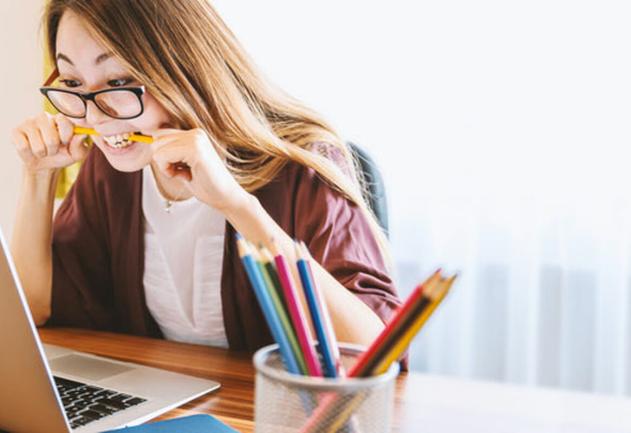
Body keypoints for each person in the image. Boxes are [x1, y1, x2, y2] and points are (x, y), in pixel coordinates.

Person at [10, 0, 400, 353]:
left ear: (183, 68)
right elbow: (34, 309)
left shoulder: (303, 165)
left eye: (118, 83)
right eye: (73, 83)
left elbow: (373, 352)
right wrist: (38, 177)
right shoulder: (113, 169)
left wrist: (236, 205)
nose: (94, 117)